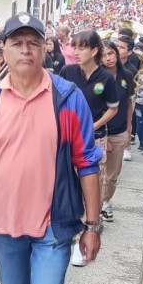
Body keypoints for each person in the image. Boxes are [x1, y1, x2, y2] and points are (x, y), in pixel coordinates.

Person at [0, 13, 103, 284]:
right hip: (3, 226)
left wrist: (92, 226)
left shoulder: (68, 98)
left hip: (54, 226)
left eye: (33, 43)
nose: (25, 50)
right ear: (3, 49)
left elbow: (87, 163)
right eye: (17, 43)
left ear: (44, 49)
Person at [59, 30, 117, 266]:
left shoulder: (106, 78)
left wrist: (92, 125)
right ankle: (70, 233)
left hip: (95, 138)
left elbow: (113, 108)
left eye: (82, 47)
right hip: (67, 138)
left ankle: (84, 237)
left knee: (91, 187)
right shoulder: (67, 72)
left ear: (94, 51)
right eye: (74, 47)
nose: (76, 52)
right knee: (68, 185)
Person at [100, 41, 135, 221]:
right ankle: (95, 205)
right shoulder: (97, 77)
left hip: (120, 131)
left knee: (112, 175)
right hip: (99, 133)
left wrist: (128, 129)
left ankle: (105, 202)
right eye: (104, 55)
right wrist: (104, 136)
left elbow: (129, 103)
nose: (108, 58)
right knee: (97, 172)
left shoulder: (126, 75)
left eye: (111, 53)